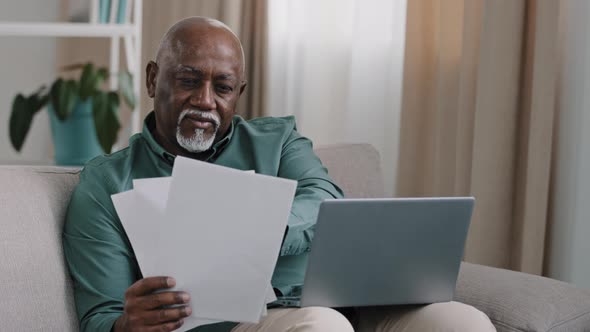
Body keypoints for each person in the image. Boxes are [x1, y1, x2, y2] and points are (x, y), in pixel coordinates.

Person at [63, 17, 495, 332]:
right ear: (153, 79)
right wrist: (125, 326)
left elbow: (324, 197)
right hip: (247, 323)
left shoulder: (280, 140)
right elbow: (99, 316)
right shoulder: (105, 184)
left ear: (240, 93)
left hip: (350, 302)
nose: (205, 100)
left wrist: (256, 228)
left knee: (462, 321)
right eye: (188, 80)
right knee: (322, 327)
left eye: (223, 87)